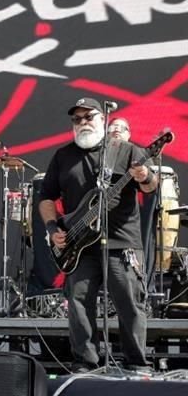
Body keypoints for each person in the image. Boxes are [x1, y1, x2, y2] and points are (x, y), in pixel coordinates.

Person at [38, 97, 157, 372]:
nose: (83, 123)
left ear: (102, 119)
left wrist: (144, 177)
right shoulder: (63, 156)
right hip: (78, 244)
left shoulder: (125, 151)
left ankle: (136, 364)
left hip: (121, 241)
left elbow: (151, 186)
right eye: (77, 119)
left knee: (129, 303)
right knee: (79, 302)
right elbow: (45, 198)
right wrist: (53, 228)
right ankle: (85, 363)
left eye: (88, 117)